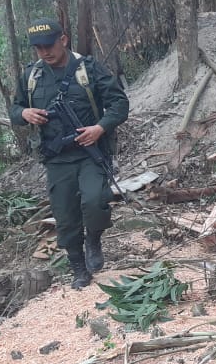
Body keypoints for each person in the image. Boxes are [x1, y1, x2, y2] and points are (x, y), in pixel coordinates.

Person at [10, 18, 130, 290]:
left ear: (63, 40)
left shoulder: (88, 69)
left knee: (96, 199)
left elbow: (119, 103)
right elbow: (15, 109)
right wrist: (24, 113)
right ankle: (78, 267)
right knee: (64, 215)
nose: (44, 52)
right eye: (38, 48)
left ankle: (94, 239)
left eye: (48, 45)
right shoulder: (31, 76)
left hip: (90, 152)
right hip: (56, 158)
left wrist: (100, 128)